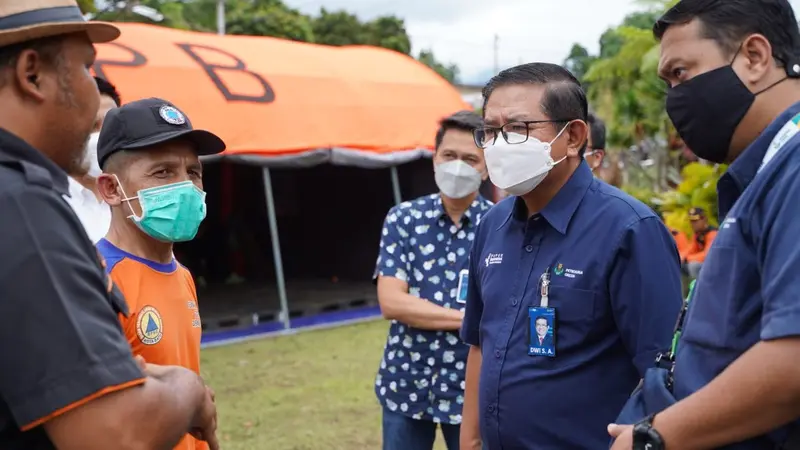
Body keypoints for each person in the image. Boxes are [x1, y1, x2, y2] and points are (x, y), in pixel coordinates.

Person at [0, 1, 218, 449]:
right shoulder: (20, 205)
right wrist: (189, 392)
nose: (93, 91)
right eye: (86, 68)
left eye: (193, 172)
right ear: (31, 74)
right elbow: (113, 435)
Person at [458, 62, 683, 450]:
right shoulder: (491, 225)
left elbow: (661, 371)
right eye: (490, 131)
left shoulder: (630, 229)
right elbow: (480, 341)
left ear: (574, 136)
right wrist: (471, 440)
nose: (498, 144)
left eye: (516, 129)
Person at [609, 0, 800, 448]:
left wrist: (654, 436)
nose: (674, 98)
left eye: (681, 73)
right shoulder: (766, 173)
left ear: (754, 57)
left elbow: (793, 359)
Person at [95, 97, 225, 450]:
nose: (186, 187)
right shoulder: (95, 281)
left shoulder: (181, 275)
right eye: (163, 172)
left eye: (193, 172)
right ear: (111, 189)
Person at [373, 110, 493, 450]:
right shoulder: (404, 219)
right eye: (449, 155)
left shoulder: (502, 225)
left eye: (470, 158)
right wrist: (470, 320)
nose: (458, 166)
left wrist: (422, 310)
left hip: (472, 390)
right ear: (434, 159)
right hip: (406, 385)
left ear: (486, 168)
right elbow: (392, 302)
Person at [63, 76, 120, 242]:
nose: (103, 137)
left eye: (111, 127)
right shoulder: (45, 203)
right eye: (92, 126)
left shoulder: (133, 204)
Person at [679, 206, 717, 279]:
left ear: (704, 219)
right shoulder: (698, 234)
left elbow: (708, 255)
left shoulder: (713, 233)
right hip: (705, 265)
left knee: (693, 266)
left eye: (695, 221)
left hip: (715, 265)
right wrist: (680, 257)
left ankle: (697, 289)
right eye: (691, 221)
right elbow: (691, 249)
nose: (692, 224)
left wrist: (687, 258)